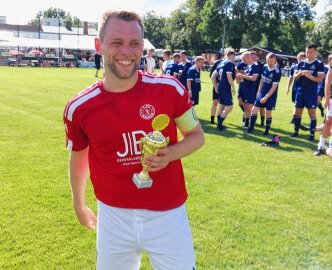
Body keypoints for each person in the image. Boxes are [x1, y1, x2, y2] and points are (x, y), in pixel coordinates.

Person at [63, 10, 204, 270]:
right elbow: (79, 157)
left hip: (168, 214)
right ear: (99, 45)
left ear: (142, 47)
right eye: (117, 42)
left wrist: (171, 154)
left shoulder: (169, 89)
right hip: (113, 216)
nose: (126, 51)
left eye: (134, 43)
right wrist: (78, 203)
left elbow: (197, 137)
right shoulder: (79, 107)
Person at [292, 44, 325, 141]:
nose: (308, 54)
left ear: (315, 52)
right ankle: (296, 132)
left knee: (312, 113)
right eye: (307, 52)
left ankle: (312, 135)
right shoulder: (301, 63)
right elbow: (295, 77)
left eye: (311, 52)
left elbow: (319, 79)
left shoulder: (319, 64)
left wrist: (309, 76)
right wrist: (299, 74)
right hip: (300, 90)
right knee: (297, 112)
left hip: (311, 92)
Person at [244, 53, 281, 135]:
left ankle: (267, 131)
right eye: (268, 61)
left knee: (268, 113)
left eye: (271, 61)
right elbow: (262, 80)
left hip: (271, 95)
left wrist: (266, 97)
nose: (269, 63)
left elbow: (274, 87)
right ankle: (250, 129)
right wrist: (259, 91)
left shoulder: (277, 72)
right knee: (254, 110)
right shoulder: (264, 67)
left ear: (275, 61)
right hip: (262, 92)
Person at [211, 49, 236, 131]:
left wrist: (215, 86)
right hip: (226, 87)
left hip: (220, 87)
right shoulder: (229, 63)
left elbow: (213, 76)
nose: (234, 58)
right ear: (231, 56)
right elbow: (229, 76)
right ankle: (219, 124)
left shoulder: (221, 63)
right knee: (230, 107)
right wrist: (233, 86)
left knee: (221, 105)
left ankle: (219, 124)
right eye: (234, 56)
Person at [236, 51, 260, 127]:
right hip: (244, 87)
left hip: (250, 89)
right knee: (244, 104)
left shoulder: (255, 65)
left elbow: (254, 78)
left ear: (249, 57)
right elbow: (248, 76)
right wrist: (242, 75)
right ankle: (247, 122)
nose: (243, 61)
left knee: (248, 106)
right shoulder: (248, 65)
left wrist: (243, 76)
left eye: (244, 59)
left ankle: (250, 121)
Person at [286, 52, 306, 123]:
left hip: (302, 88)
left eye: (302, 58)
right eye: (299, 58)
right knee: (295, 102)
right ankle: (295, 117)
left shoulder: (306, 67)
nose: (300, 59)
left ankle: (295, 118)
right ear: (297, 58)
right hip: (295, 87)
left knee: (299, 104)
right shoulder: (294, 67)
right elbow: (291, 78)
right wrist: (288, 87)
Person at [209, 53, 223, 124]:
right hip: (216, 85)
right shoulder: (217, 63)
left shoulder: (231, 64)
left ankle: (220, 120)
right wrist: (216, 83)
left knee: (223, 104)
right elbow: (211, 74)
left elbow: (232, 76)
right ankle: (212, 120)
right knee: (215, 102)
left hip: (225, 87)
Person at [236, 55, 248, 125]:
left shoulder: (251, 64)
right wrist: (238, 79)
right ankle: (246, 113)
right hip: (241, 85)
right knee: (239, 102)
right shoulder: (241, 64)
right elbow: (236, 71)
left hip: (248, 86)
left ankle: (245, 118)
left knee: (246, 103)